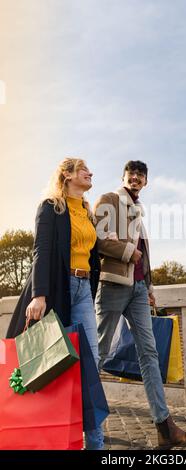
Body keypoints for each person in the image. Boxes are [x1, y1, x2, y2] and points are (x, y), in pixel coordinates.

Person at [94, 160, 186, 449]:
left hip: (139, 289)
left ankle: (165, 428)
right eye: (132, 173)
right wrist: (130, 253)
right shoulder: (109, 200)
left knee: (150, 353)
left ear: (146, 182)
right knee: (99, 352)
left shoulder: (137, 210)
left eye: (141, 175)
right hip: (114, 285)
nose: (136, 177)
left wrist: (150, 286)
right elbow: (100, 240)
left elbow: (144, 251)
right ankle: (79, 418)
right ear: (124, 176)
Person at [6, 158, 104, 450]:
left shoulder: (87, 212)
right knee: (55, 362)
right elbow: (41, 251)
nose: (90, 173)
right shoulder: (51, 207)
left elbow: (92, 254)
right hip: (57, 289)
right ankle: (58, 433)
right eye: (84, 169)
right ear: (68, 174)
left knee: (91, 362)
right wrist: (39, 294)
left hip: (84, 289)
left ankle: (95, 443)